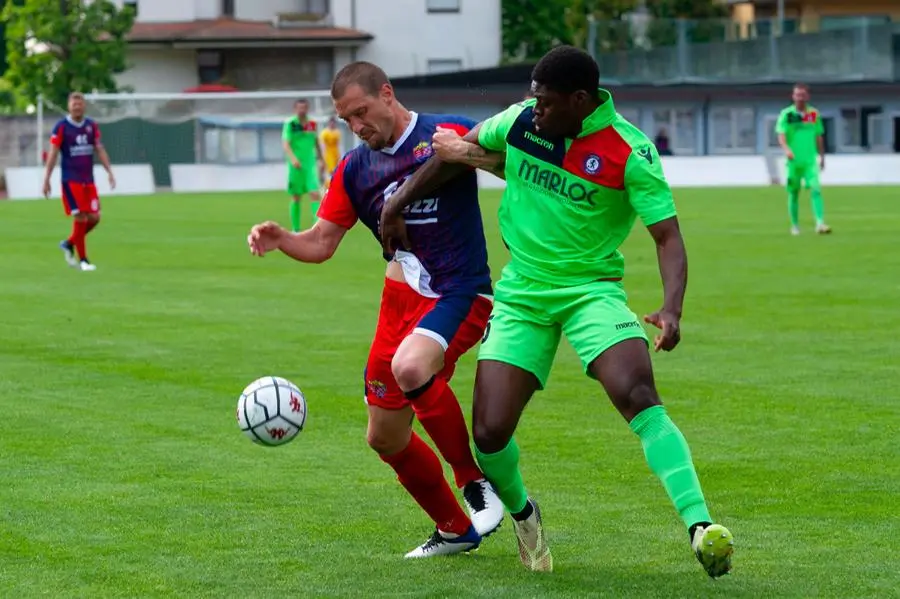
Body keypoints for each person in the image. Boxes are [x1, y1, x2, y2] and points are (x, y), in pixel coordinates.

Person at [380, 45, 734, 578]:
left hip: (591, 291)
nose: (534, 108)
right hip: (523, 292)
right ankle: (525, 515)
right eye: (531, 98)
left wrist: (672, 308)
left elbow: (667, 236)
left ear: (580, 99)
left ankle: (700, 526)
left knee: (636, 393)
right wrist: (397, 201)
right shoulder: (522, 123)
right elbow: (456, 153)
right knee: (491, 433)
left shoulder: (630, 152)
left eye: (544, 101)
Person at [247, 61, 504, 558]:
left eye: (361, 112)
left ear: (387, 94)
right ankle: (454, 529)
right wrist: (282, 239)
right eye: (346, 120)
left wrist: (472, 154)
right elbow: (321, 243)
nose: (356, 127)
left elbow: (510, 162)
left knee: (411, 367)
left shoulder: (444, 132)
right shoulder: (354, 169)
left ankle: (475, 483)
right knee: (384, 437)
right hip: (399, 304)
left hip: (460, 292)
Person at [43, 92, 115, 272]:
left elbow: (99, 148)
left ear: (84, 106)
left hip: (87, 180)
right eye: (74, 104)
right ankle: (83, 260)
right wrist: (46, 178)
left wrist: (109, 171)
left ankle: (69, 243)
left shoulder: (91, 126)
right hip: (70, 180)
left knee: (95, 218)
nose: (77, 107)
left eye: (80, 104)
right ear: (69, 106)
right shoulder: (61, 127)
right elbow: (53, 153)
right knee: (81, 217)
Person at [776, 83, 831, 235]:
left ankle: (820, 223)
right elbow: (781, 135)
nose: (800, 98)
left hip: (809, 160)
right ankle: (795, 225)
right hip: (794, 161)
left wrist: (822, 156)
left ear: (807, 96)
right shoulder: (787, 114)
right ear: (793, 97)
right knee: (794, 192)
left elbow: (818, 135)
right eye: (797, 95)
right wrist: (787, 149)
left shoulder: (813, 114)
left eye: (802, 95)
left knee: (816, 189)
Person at [283, 99, 325, 232]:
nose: (302, 110)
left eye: (304, 108)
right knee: (296, 196)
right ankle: (295, 229)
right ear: (295, 109)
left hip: (310, 164)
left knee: (314, 194)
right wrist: (293, 159)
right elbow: (286, 144)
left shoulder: (312, 124)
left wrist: (321, 159)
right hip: (295, 166)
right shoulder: (290, 124)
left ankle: (316, 228)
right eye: (299, 108)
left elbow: (316, 141)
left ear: (307, 109)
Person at [319, 116, 343, 188]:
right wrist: (322, 157)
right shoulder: (324, 133)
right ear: (329, 123)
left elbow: (339, 145)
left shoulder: (337, 133)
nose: (332, 124)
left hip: (336, 155)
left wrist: (340, 156)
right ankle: (326, 187)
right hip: (327, 155)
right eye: (331, 123)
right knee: (329, 172)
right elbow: (322, 146)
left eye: (333, 123)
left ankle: (331, 187)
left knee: (335, 173)